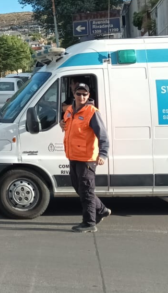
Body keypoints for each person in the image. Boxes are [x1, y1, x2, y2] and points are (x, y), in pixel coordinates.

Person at [60, 82, 111, 233]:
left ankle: (89, 223)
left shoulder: (92, 112)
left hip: (87, 158)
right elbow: (67, 126)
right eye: (78, 93)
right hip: (73, 156)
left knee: (87, 191)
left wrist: (103, 154)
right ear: (74, 95)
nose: (81, 96)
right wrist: (62, 124)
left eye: (84, 94)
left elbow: (103, 136)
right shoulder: (70, 110)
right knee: (79, 188)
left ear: (89, 96)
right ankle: (101, 210)